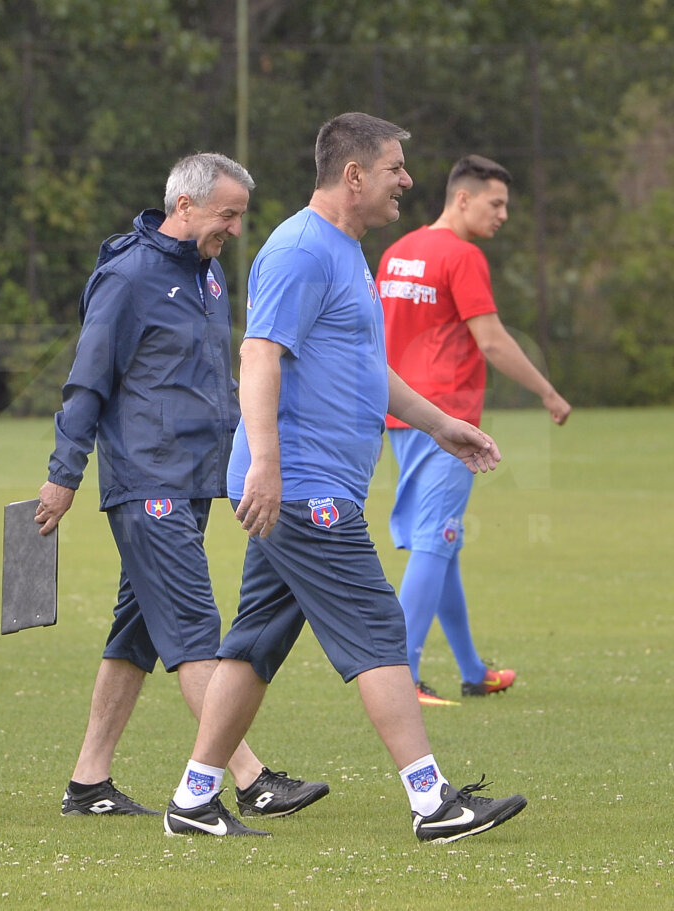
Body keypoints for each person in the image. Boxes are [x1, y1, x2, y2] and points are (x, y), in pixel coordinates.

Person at [162, 114, 527, 843]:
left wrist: (438, 422)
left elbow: (365, 369)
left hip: (300, 483)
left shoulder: (345, 250)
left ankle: (195, 798)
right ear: (354, 174)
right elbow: (259, 357)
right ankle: (433, 801)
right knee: (377, 628)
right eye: (395, 167)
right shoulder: (301, 249)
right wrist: (265, 462)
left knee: (254, 642)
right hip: (301, 487)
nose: (407, 181)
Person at [35, 152, 329, 822]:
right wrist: (63, 475)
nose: (234, 227)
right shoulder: (127, 275)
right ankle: (249, 777)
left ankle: (88, 783)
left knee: (134, 636)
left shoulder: (210, 274)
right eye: (227, 214)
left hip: (193, 479)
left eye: (241, 216)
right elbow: (87, 382)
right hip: (147, 481)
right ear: (185, 205)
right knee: (196, 630)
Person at [376, 155, 572, 706]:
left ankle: (472, 669)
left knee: (443, 544)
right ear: (462, 199)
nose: (503, 214)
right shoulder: (462, 256)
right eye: (496, 202)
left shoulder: (398, 252)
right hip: (450, 423)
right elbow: (491, 340)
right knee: (434, 542)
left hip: (403, 415)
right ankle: (404, 677)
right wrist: (547, 391)